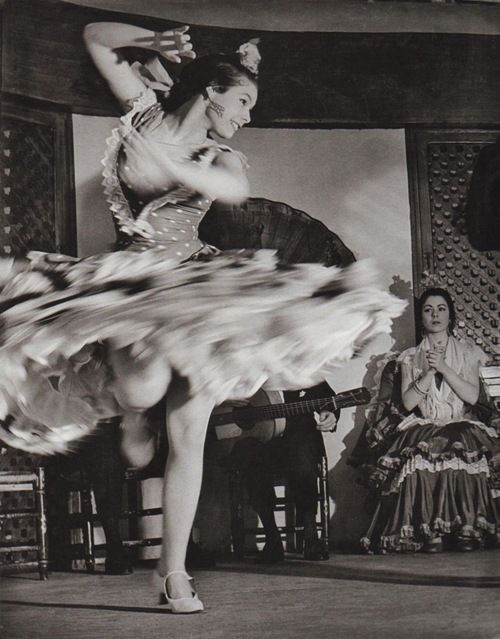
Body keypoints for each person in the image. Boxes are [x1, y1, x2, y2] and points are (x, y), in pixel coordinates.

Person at [0, 21, 405, 614]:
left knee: (190, 433)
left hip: (192, 290)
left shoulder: (222, 156)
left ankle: (174, 575)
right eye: (242, 101)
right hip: (132, 287)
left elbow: (230, 191)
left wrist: (182, 170)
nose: (245, 115)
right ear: (211, 91)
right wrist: (156, 42)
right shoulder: (142, 112)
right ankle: (135, 417)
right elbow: (93, 35)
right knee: (142, 390)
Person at [361, 287, 499, 554]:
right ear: (421, 319)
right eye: (428, 310)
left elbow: (471, 396)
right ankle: (428, 532)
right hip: (425, 424)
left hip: (460, 420)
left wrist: (445, 368)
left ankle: (466, 529)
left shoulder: (468, 353)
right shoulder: (409, 357)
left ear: (450, 316)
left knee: (462, 447)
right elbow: (409, 403)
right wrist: (428, 372)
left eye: (441, 309)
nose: (435, 314)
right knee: (419, 460)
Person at [226, 381, 338, 563]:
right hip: (263, 443)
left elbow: (327, 397)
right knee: (246, 452)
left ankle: (310, 536)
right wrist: (223, 398)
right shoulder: (246, 364)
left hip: (299, 439)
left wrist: (330, 413)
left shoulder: (302, 363)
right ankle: (272, 538)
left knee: (300, 453)